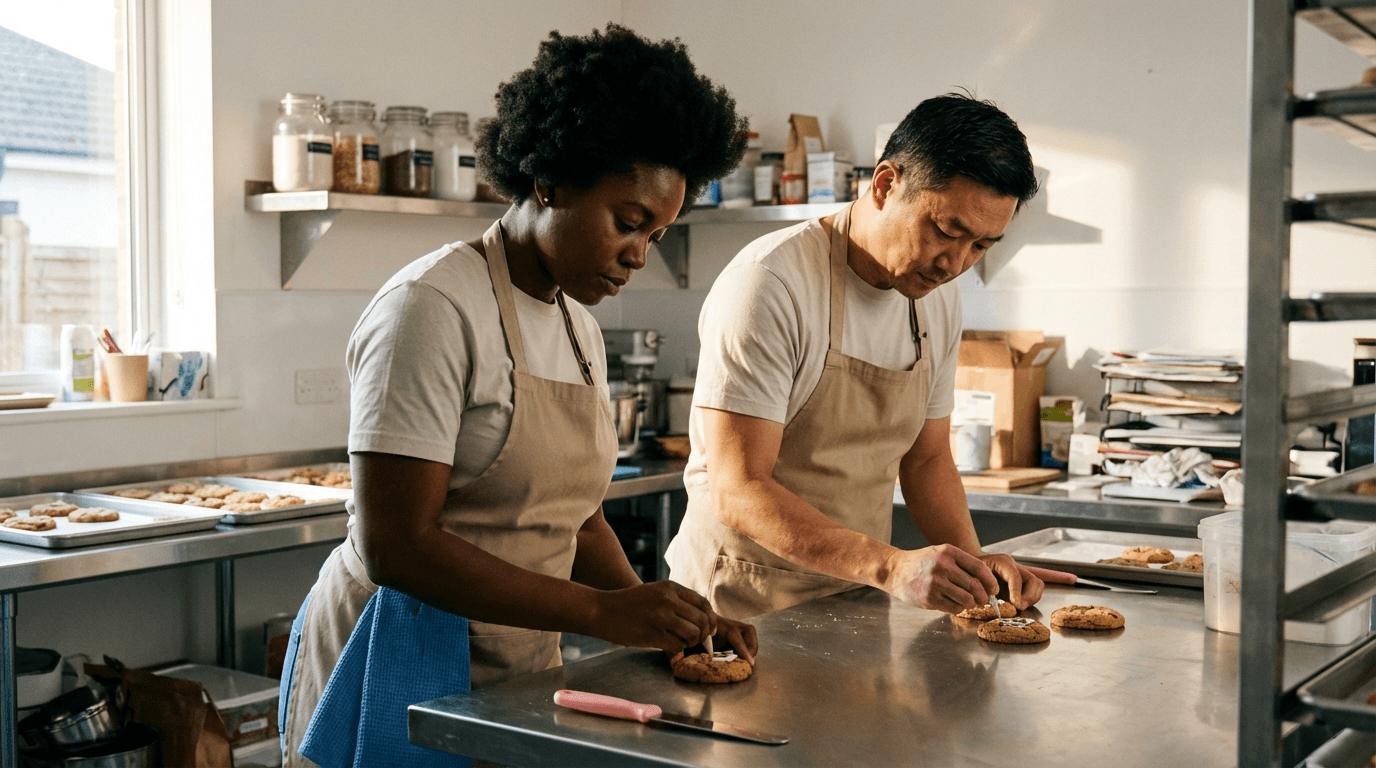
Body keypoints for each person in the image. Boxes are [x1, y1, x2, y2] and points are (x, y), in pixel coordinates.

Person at [279, 24, 755, 767]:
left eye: (657, 235)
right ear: (550, 179)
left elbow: (579, 516)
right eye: (628, 223)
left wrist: (659, 619)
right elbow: (395, 544)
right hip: (399, 655)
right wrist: (602, 613)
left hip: (515, 660)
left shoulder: (577, 325)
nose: (638, 253)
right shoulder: (431, 308)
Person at [665, 93, 1073, 622]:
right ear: (885, 185)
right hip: (742, 604)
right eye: (947, 231)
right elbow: (738, 487)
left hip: (854, 601)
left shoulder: (936, 298)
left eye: (981, 246)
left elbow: (926, 460)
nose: (955, 263)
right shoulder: (770, 284)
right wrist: (890, 568)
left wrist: (976, 567)